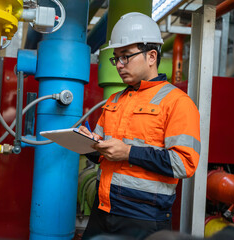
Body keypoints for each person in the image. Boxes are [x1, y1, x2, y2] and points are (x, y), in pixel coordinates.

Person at [79, 12, 201, 239]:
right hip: (102, 210)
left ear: (152, 56)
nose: (119, 65)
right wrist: (88, 142)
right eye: (116, 58)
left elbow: (184, 164)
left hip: (143, 218)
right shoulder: (114, 100)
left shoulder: (177, 103)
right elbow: (100, 154)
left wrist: (128, 152)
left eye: (126, 56)